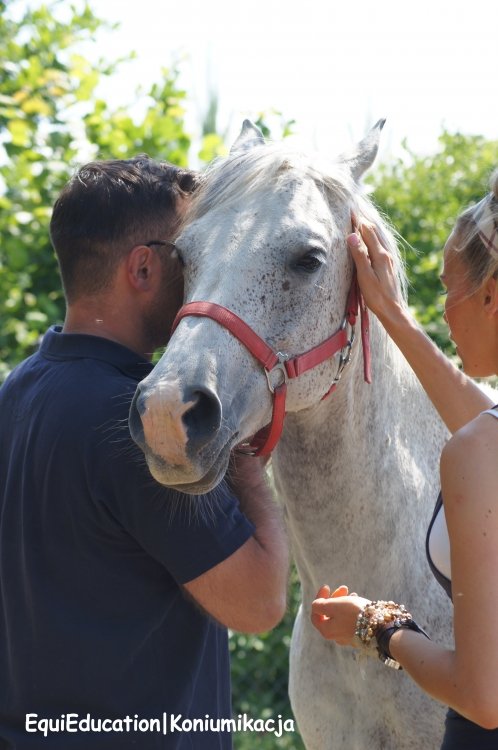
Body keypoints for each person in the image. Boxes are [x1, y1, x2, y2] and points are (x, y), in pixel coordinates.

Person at [0, 156, 289, 749]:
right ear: (144, 267)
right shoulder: (138, 423)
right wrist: (249, 475)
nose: (206, 273)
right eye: (191, 253)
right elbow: (259, 601)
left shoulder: (16, 389)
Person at [311, 170, 498, 748]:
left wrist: (378, 626)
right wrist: (392, 315)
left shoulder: (475, 453)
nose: (443, 311)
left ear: (491, 294)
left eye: (448, 288)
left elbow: (484, 698)